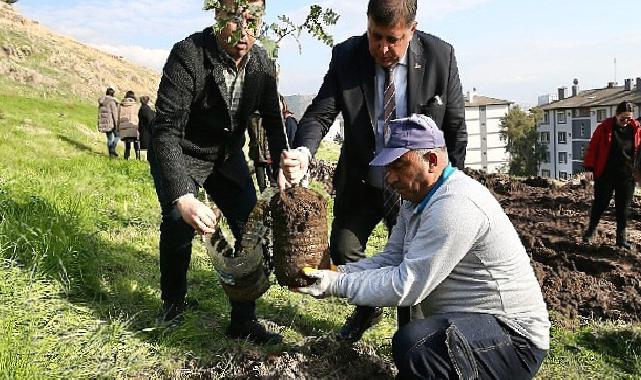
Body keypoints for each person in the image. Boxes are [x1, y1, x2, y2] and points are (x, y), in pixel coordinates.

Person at [295, 114, 550, 379]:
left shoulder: (456, 205)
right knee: (419, 347)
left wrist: (333, 286)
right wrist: (337, 273)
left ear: (431, 161)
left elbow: (408, 286)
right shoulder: (417, 200)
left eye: (398, 166)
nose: (389, 178)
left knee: (415, 345)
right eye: (387, 168)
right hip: (471, 328)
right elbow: (393, 258)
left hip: (513, 341)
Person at [279, 0, 467, 342]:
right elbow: (321, 113)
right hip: (362, 177)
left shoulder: (441, 57)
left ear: (412, 29)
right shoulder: (347, 56)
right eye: (375, 36)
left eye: (392, 39)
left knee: (412, 261)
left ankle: (410, 338)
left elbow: (455, 129)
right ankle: (367, 308)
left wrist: (450, 193)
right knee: (342, 248)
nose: (382, 48)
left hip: (414, 185)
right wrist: (304, 151)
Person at [149, 0, 286, 344]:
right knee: (179, 223)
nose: (242, 31)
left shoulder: (262, 64)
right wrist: (184, 195)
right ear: (217, 16)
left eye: (252, 20)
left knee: (249, 230)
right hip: (184, 151)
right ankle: (173, 304)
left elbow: (273, 121)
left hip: (227, 157)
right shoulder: (188, 55)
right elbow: (164, 131)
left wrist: (285, 161)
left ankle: (243, 321)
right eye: (233, 19)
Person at [583, 101, 641, 248]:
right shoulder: (604, 128)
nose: (626, 121)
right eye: (623, 118)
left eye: (629, 118)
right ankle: (590, 233)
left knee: (623, 208)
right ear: (616, 115)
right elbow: (593, 148)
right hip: (606, 174)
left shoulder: (636, 129)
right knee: (600, 204)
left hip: (627, 176)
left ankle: (621, 240)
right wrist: (589, 168)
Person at [247, 112, 275, 192]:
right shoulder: (251, 118)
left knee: (272, 181)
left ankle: (274, 199)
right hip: (258, 152)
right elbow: (251, 135)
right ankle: (265, 200)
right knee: (262, 183)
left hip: (267, 153)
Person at [117, 90, 141, 160]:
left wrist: (118, 127)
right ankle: (137, 157)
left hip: (125, 128)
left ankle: (126, 157)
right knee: (136, 142)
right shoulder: (136, 106)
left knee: (127, 143)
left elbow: (118, 117)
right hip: (134, 127)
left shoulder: (121, 106)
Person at [97, 87, 119, 157]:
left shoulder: (102, 101)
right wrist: (117, 125)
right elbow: (115, 115)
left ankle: (111, 155)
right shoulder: (112, 102)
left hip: (104, 123)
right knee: (118, 135)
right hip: (111, 123)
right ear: (113, 94)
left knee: (109, 139)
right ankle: (112, 148)